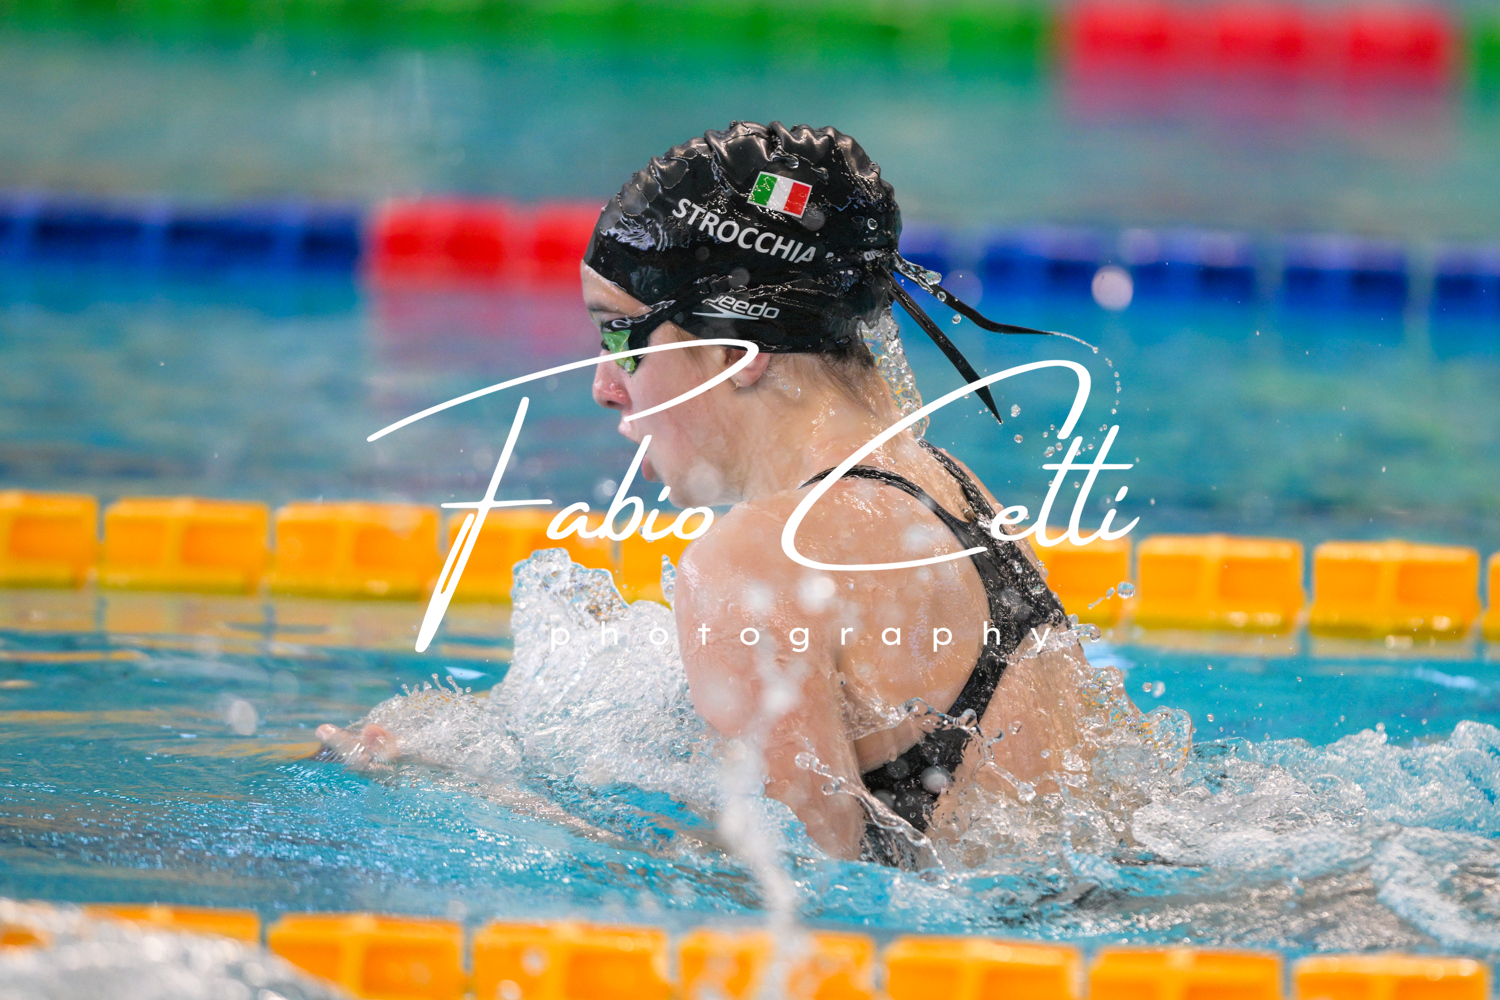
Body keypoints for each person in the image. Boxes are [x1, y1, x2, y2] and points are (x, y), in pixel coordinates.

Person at [321, 121, 1119, 867]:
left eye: (620, 335)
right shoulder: (951, 488)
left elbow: (798, 889)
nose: (603, 386)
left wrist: (468, 789)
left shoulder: (752, 564)